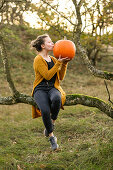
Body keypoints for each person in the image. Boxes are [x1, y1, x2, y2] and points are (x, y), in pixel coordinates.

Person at [31, 34, 71, 151]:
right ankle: (52, 137)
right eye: (49, 42)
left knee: (57, 99)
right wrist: (59, 63)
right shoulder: (38, 59)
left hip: (53, 88)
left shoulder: (54, 59)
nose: (53, 44)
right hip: (40, 89)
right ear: (43, 46)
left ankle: (51, 122)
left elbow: (61, 77)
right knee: (44, 110)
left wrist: (64, 63)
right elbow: (48, 76)